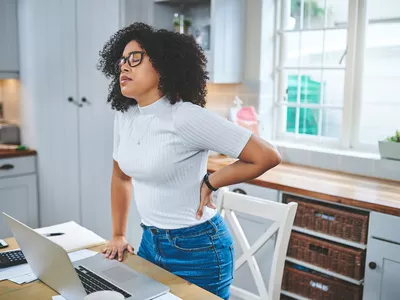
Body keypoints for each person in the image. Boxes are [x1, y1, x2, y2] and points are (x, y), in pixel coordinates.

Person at [98, 22, 281, 299]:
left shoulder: (185, 116)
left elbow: (266, 156)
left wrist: (212, 181)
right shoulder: (125, 116)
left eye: (135, 58)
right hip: (150, 242)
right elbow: (120, 177)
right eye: (122, 60)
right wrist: (118, 235)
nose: (124, 66)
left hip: (198, 251)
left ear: (163, 64)